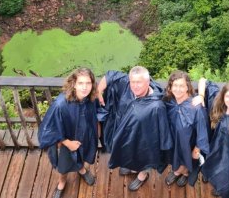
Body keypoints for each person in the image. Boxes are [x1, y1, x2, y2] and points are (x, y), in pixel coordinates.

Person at [97, 66, 173, 191]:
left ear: (148, 82)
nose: (135, 86)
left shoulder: (157, 106)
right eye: (133, 82)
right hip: (126, 132)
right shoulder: (126, 83)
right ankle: (131, 167)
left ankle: (142, 175)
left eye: (139, 82)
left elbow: (162, 131)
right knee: (128, 152)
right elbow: (110, 74)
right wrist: (99, 92)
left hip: (143, 139)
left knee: (142, 156)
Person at [38, 67, 98, 198]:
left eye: (88, 83)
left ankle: (81, 170)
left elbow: (96, 115)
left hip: (86, 137)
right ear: (74, 84)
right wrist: (67, 143)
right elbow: (49, 129)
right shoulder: (61, 104)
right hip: (67, 142)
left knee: (83, 157)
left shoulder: (91, 99)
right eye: (81, 83)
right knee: (64, 165)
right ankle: (62, 182)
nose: (84, 87)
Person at [162, 70, 209, 187]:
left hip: (190, 143)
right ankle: (178, 171)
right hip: (175, 139)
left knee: (188, 159)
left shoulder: (195, 106)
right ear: (170, 87)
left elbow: (202, 130)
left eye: (182, 86)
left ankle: (185, 173)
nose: (178, 89)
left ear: (187, 87)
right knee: (177, 156)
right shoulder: (169, 101)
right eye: (175, 85)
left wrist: (197, 149)